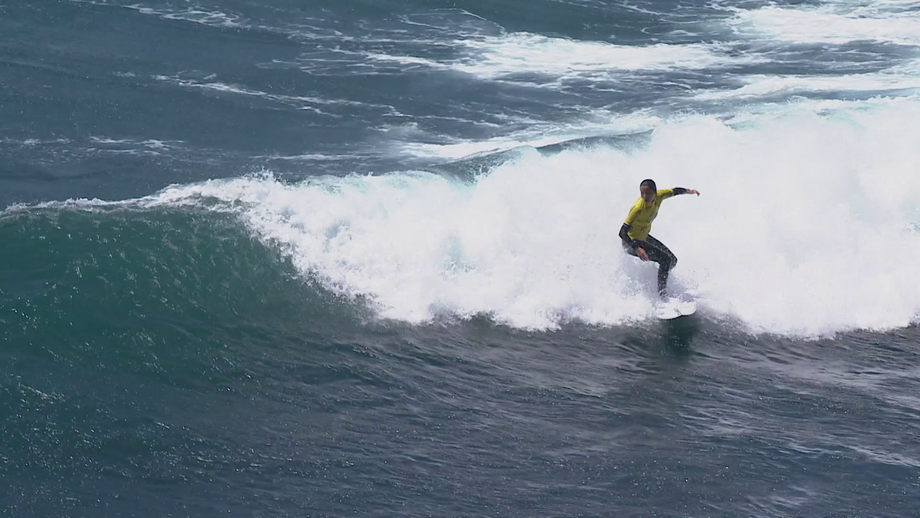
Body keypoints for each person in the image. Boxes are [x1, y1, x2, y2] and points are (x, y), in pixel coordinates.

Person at [619, 179, 700, 299]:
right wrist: (637, 248)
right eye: (642, 193)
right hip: (631, 243)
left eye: (648, 193)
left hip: (644, 237)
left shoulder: (660, 196)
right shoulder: (638, 208)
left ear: (655, 193)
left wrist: (690, 191)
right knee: (665, 260)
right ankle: (662, 295)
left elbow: (674, 191)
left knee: (672, 260)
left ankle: (660, 279)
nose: (645, 196)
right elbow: (622, 232)